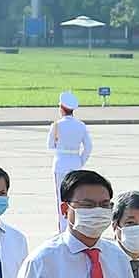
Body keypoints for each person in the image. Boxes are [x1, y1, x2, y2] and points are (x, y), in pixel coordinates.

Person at [48, 91, 93, 230]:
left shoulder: (57, 125)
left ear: (61, 108)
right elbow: (88, 147)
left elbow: (50, 145)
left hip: (60, 164)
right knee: (76, 197)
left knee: (62, 199)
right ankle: (76, 225)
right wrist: (80, 161)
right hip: (75, 163)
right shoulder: (81, 125)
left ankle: (63, 228)